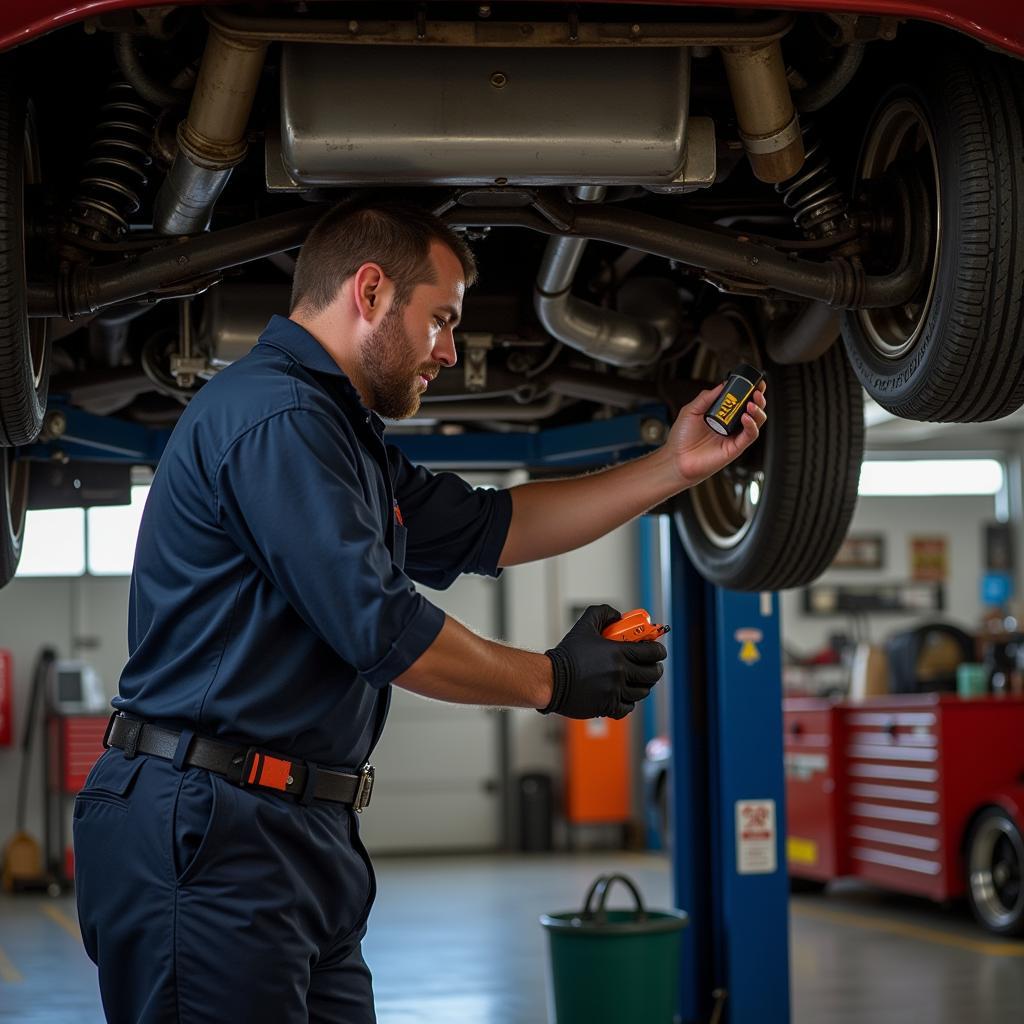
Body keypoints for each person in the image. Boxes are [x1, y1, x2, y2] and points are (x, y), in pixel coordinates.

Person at [73, 200, 767, 1023]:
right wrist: (554, 680)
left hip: (296, 833)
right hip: (211, 827)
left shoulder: (334, 432)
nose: (448, 350)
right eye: (440, 320)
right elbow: (387, 632)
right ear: (369, 292)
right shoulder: (278, 419)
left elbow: (495, 527)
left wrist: (673, 468)